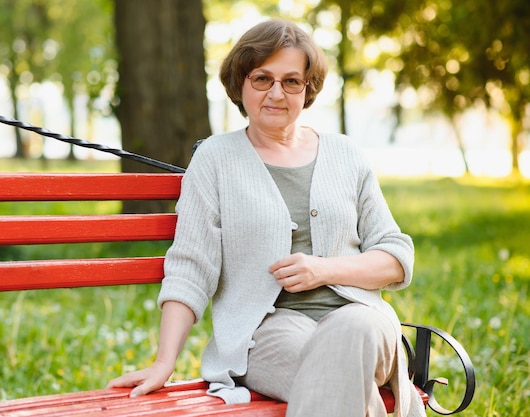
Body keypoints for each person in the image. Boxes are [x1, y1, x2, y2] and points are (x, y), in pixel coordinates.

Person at [108, 18, 427, 417]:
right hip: (268, 332)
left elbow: (395, 257)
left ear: (307, 88)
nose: (277, 93)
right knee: (333, 378)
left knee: (351, 332)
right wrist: (163, 361)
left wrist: (323, 270)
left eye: (291, 81)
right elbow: (191, 267)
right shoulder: (215, 160)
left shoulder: (345, 155)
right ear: (240, 84)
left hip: (361, 319)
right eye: (263, 79)